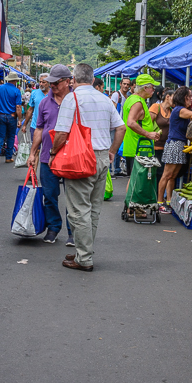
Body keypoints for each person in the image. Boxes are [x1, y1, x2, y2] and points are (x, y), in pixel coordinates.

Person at [51, 63, 125, 271]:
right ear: (93, 80)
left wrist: (53, 152)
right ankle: (85, 251)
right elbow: (121, 127)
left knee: (78, 210)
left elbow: (62, 133)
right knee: (93, 209)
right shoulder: (105, 99)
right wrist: (112, 151)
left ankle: (83, 258)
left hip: (81, 158)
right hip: (102, 158)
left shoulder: (72, 99)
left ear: (73, 80)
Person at [29, 65, 74, 245]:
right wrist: (33, 153)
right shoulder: (44, 102)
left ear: (67, 81)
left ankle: (73, 231)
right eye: (51, 82)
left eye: (56, 82)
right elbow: (40, 129)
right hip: (48, 157)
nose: (52, 85)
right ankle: (53, 227)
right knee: (49, 195)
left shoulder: (76, 100)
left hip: (71, 157)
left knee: (72, 197)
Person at [121, 75, 161, 175]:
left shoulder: (132, 99)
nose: (154, 90)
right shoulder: (137, 102)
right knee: (138, 183)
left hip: (137, 147)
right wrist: (148, 134)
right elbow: (131, 122)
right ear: (145, 88)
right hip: (139, 148)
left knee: (134, 182)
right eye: (152, 87)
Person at [0, 74, 22, 164]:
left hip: (1, 115)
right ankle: (8, 157)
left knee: (1, 135)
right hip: (12, 116)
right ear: (15, 81)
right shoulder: (16, 91)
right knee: (11, 136)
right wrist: (19, 119)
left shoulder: (0, 88)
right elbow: (18, 106)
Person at [110, 77, 132, 176]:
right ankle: (110, 170)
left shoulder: (127, 96)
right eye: (124, 84)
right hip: (116, 126)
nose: (126, 86)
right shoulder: (116, 95)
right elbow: (112, 109)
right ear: (120, 84)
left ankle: (117, 169)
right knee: (112, 146)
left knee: (118, 146)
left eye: (128, 84)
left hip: (122, 126)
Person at [22, 75, 49, 140]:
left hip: (48, 127)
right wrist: (25, 124)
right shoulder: (34, 93)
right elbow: (30, 110)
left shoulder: (53, 94)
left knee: (48, 149)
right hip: (35, 126)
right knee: (36, 149)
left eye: (43, 82)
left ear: (49, 82)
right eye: (40, 82)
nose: (41, 84)